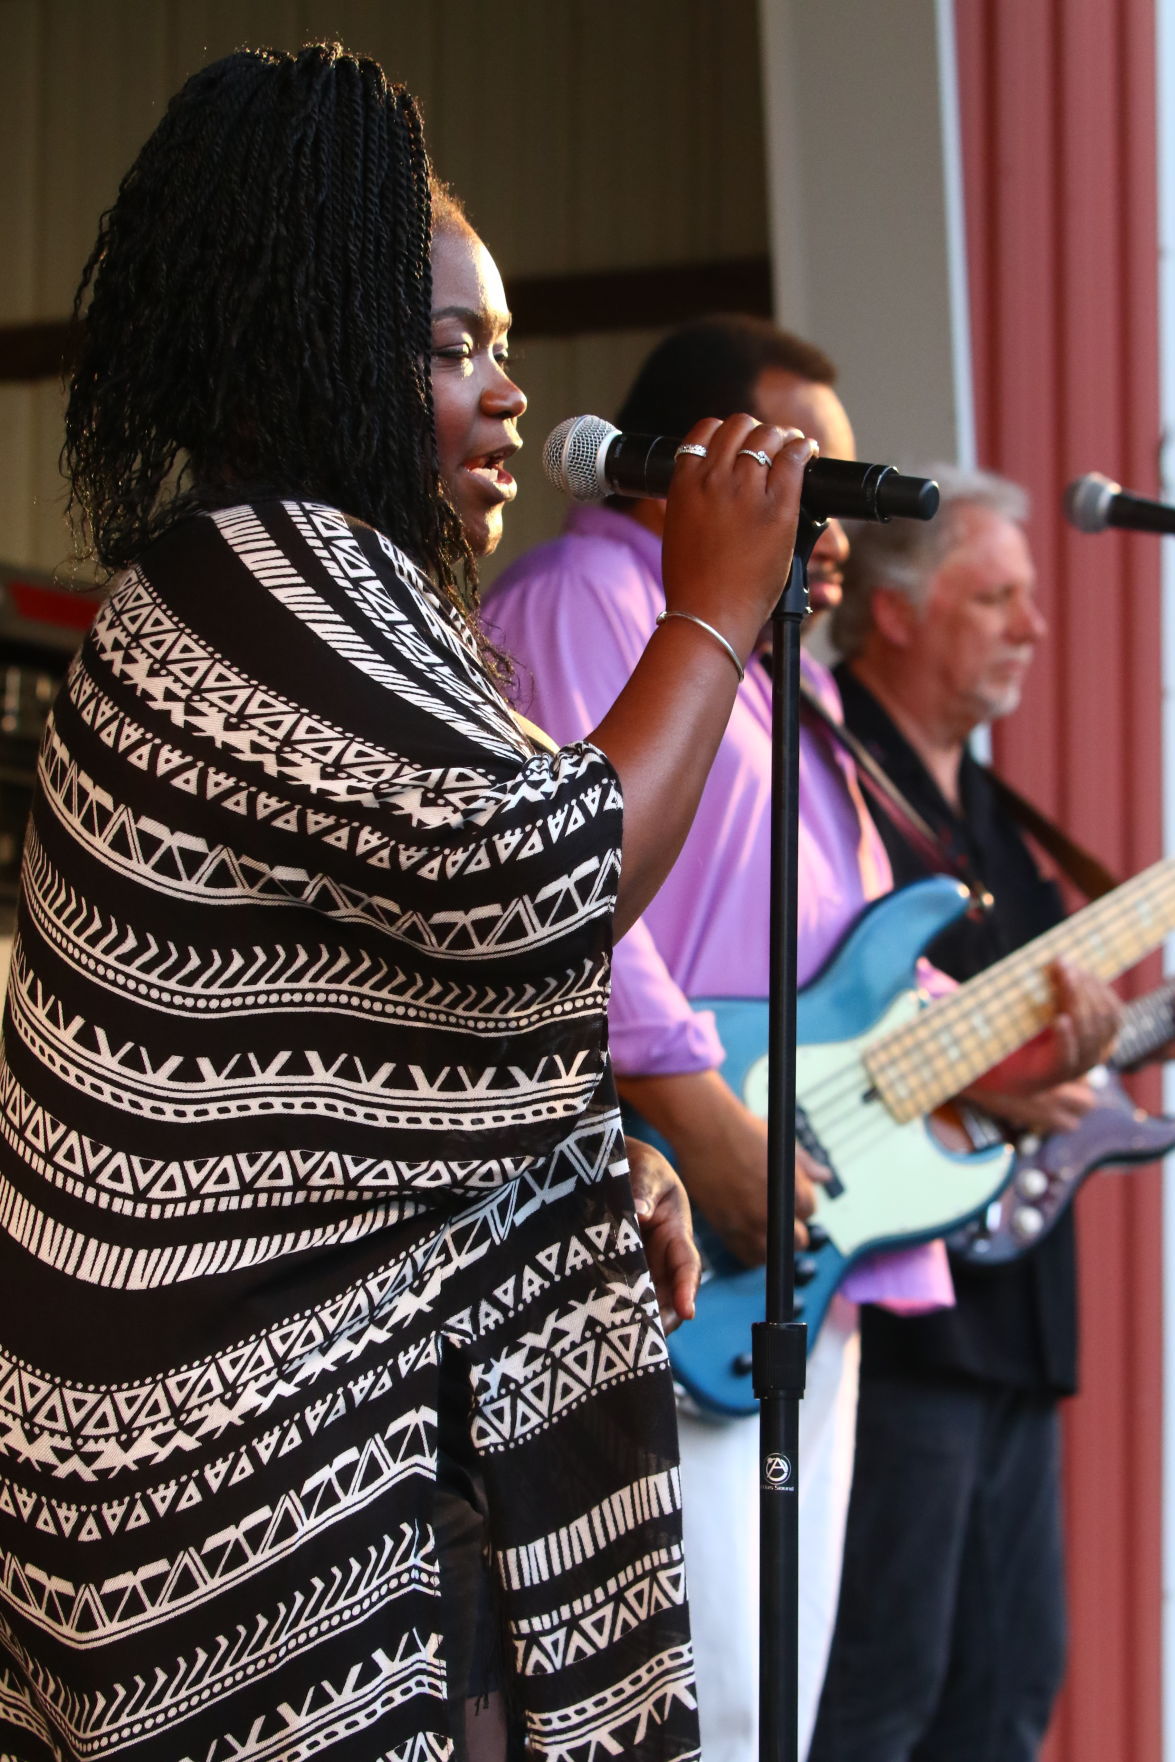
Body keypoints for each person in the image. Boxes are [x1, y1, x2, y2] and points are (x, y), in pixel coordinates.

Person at [0, 47, 824, 1762]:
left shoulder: (313, 599)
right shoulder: (256, 587)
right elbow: (547, 877)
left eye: (508, 348)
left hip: (278, 1464)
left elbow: (389, 1025)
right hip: (247, 1495)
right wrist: (716, 608)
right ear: (310, 346)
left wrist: (582, 1169)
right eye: (455, 347)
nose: (511, 396)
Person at [485, 321, 1119, 1761]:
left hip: (790, 1242)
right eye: (804, 482)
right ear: (698, 467)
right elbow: (568, 890)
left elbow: (845, 951)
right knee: (690, 1698)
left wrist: (995, 1047)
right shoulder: (590, 591)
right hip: (669, 1217)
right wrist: (703, 1119)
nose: (833, 526)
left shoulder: (796, 682)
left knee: (776, 1701)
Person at [809, 465, 1099, 1761]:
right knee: (880, 1696)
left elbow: (1048, 1048)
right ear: (899, 610)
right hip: (891, 1304)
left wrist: (1080, 1053)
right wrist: (995, 1065)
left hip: (1015, 1305)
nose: (1034, 628)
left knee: (1007, 1690)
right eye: (997, 598)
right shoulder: (826, 769)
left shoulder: (1000, 819)